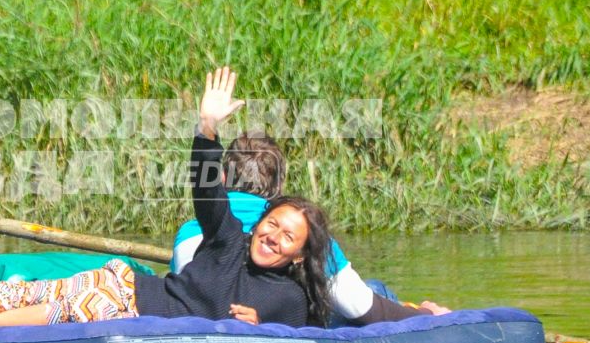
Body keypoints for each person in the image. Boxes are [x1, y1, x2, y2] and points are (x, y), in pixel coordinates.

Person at [0, 68, 433, 329]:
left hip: (122, 303)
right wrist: (206, 128)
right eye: (272, 225)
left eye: (286, 237)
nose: (271, 236)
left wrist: (255, 328)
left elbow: (301, 327)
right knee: (20, 296)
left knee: (37, 310)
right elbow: (206, 191)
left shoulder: (293, 299)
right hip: (124, 288)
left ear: (298, 255)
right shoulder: (227, 239)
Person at [168, 130, 430, 323]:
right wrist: (425, 316)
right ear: (280, 189)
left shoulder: (190, 234)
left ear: (223, 178)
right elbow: (360, 307)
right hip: (266, 333)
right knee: (375, 290)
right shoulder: (302, 233)